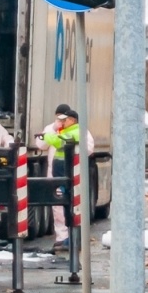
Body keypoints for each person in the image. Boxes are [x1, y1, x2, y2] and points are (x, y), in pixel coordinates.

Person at [37, 104, 94, 254]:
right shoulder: (56, 128)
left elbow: (60, 142)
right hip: (56, 172)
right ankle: (63, 237)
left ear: (71, 120)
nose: (61, 121)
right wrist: (52, 131)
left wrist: (52, 135)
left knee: (70, 205)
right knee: (59, 206)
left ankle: (70, 237)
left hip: (70, 172)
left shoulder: (76, 131)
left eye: (64, 119)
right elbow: (41, 144)